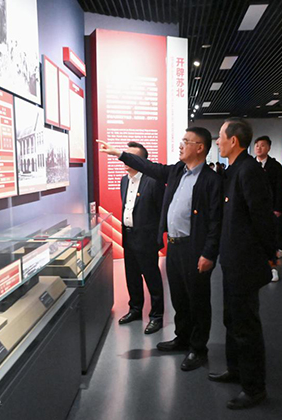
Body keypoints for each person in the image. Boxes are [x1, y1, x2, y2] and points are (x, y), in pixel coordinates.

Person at [97, 127, 222, 372]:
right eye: (181, 140)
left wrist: (209, 253)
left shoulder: (211, 179)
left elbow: (216, 221)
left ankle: (198, 348)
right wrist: (119, 154)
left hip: (194, 248)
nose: (181, 145)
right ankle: (182, 338)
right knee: (179, 297)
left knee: (197, 300)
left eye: (186, 141)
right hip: (174, 247)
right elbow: (149, 166)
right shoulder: (176, 171)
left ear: (200, 147)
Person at [208, 118, 275, 410]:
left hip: (245, 261)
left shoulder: (249, 171)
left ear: (233, 140)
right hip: (232, 259)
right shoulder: (234, 170)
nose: (218, 142)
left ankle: (254, 387)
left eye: (220, 137)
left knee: (246, 325)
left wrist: (269, 254)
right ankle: (236, 370)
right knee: (231, 319)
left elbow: (262, 217)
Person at [118, 141, 166, 334]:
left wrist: (157, 238)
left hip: (147, 239)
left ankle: (156, 316)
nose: (126, 159)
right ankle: (135, 309)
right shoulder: (124, 180)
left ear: (142, 161)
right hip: (128, 236)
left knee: (152, 278)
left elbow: (162, 211)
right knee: (132, 276)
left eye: (131, 156)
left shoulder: (153, 181)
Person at [253, 135, 282, 282]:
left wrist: (278, 208)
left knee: (270, 239)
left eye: (263, 145)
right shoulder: (250, 165)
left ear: (269, 148)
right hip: (254, 209)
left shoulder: (275, 166)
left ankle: (272, 268)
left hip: (271, 208)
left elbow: (280, 188)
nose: (259, 148)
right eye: (257, 145)